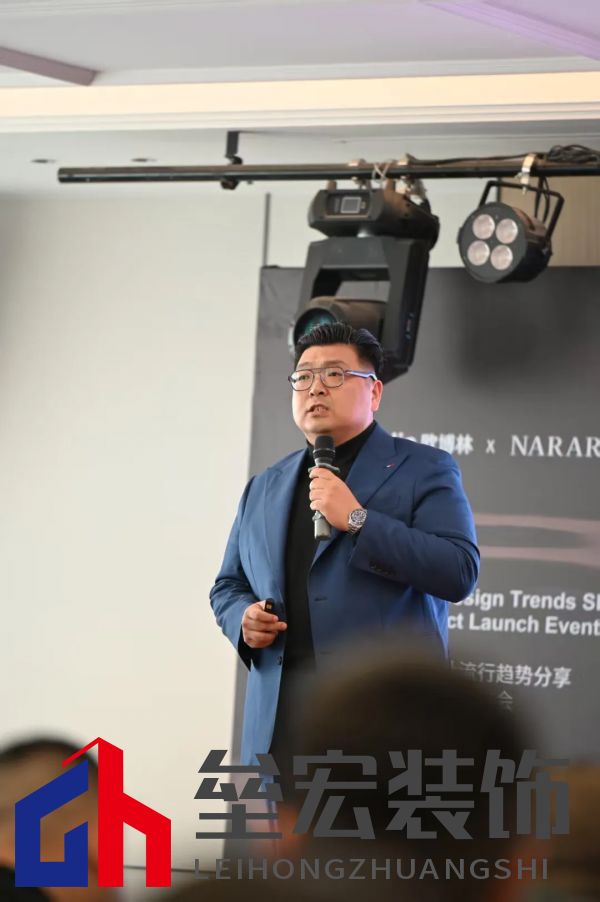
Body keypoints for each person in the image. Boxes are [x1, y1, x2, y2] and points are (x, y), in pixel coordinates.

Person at [210, 323, 479, 768]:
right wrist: (243, 618)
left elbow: (458, 571)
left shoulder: (423, 468)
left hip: (387, 727)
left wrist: (357, 520)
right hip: (282, 731)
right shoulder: (265, 485)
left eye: (334, 374)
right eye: (303, 376)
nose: (315, 387)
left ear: (374, 392)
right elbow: (228, 585)